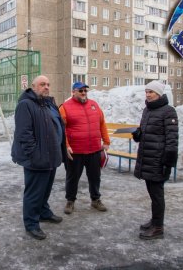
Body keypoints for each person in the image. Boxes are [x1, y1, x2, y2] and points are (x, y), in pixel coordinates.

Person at [11, 75, 66, 240]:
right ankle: (31, 224)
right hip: (37, 158)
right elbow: (24, 134)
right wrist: (34, 155)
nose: (46, 87)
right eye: (42, 84)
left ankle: (44, 212)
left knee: (46, 189)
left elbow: (58, 128)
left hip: (51, 156)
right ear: (33, 87)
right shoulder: (25, 105)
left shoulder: (48, 104)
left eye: (48, 84)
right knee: (34, 192)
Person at [132, 80, 179, 240]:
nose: (148, 94)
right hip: (147, 159)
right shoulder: (147, 110)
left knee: (157, 196)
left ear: (159, 94)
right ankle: (155, 220)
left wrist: (168, 163)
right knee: (153, 194)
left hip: (158, 162)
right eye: (146, 91)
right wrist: (138, 135)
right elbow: (146, 133)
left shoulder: (168, 111)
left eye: (151, 92)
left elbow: (172, 140)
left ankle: (158, 227)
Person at [59, 82, 110, 214]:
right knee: (72, 178)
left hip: (94, 149)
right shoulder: (65, 107)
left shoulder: (94, 105)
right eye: (80, 90)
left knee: (95, 177)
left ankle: (95, 199)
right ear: (73, 92)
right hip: (75, 151)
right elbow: (61, 130)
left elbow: (102, 124)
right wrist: (67, 146)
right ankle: (70, 201)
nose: (83, 93)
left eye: (85, 91)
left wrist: (106, 140)